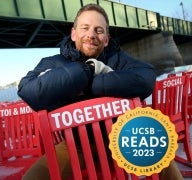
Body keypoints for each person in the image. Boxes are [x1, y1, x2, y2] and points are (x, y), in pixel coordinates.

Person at [17, 3, 183, 180]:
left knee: (163, 161)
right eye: (85, 28)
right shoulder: (53, 63)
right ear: (74, 33)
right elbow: (28, 90)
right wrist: (83, 71)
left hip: (122, 136)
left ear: (106, 39)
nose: (91, 35)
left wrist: (92, 85)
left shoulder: (117, 59)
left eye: (99, 30)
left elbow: (146, 77)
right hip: (75, 145)